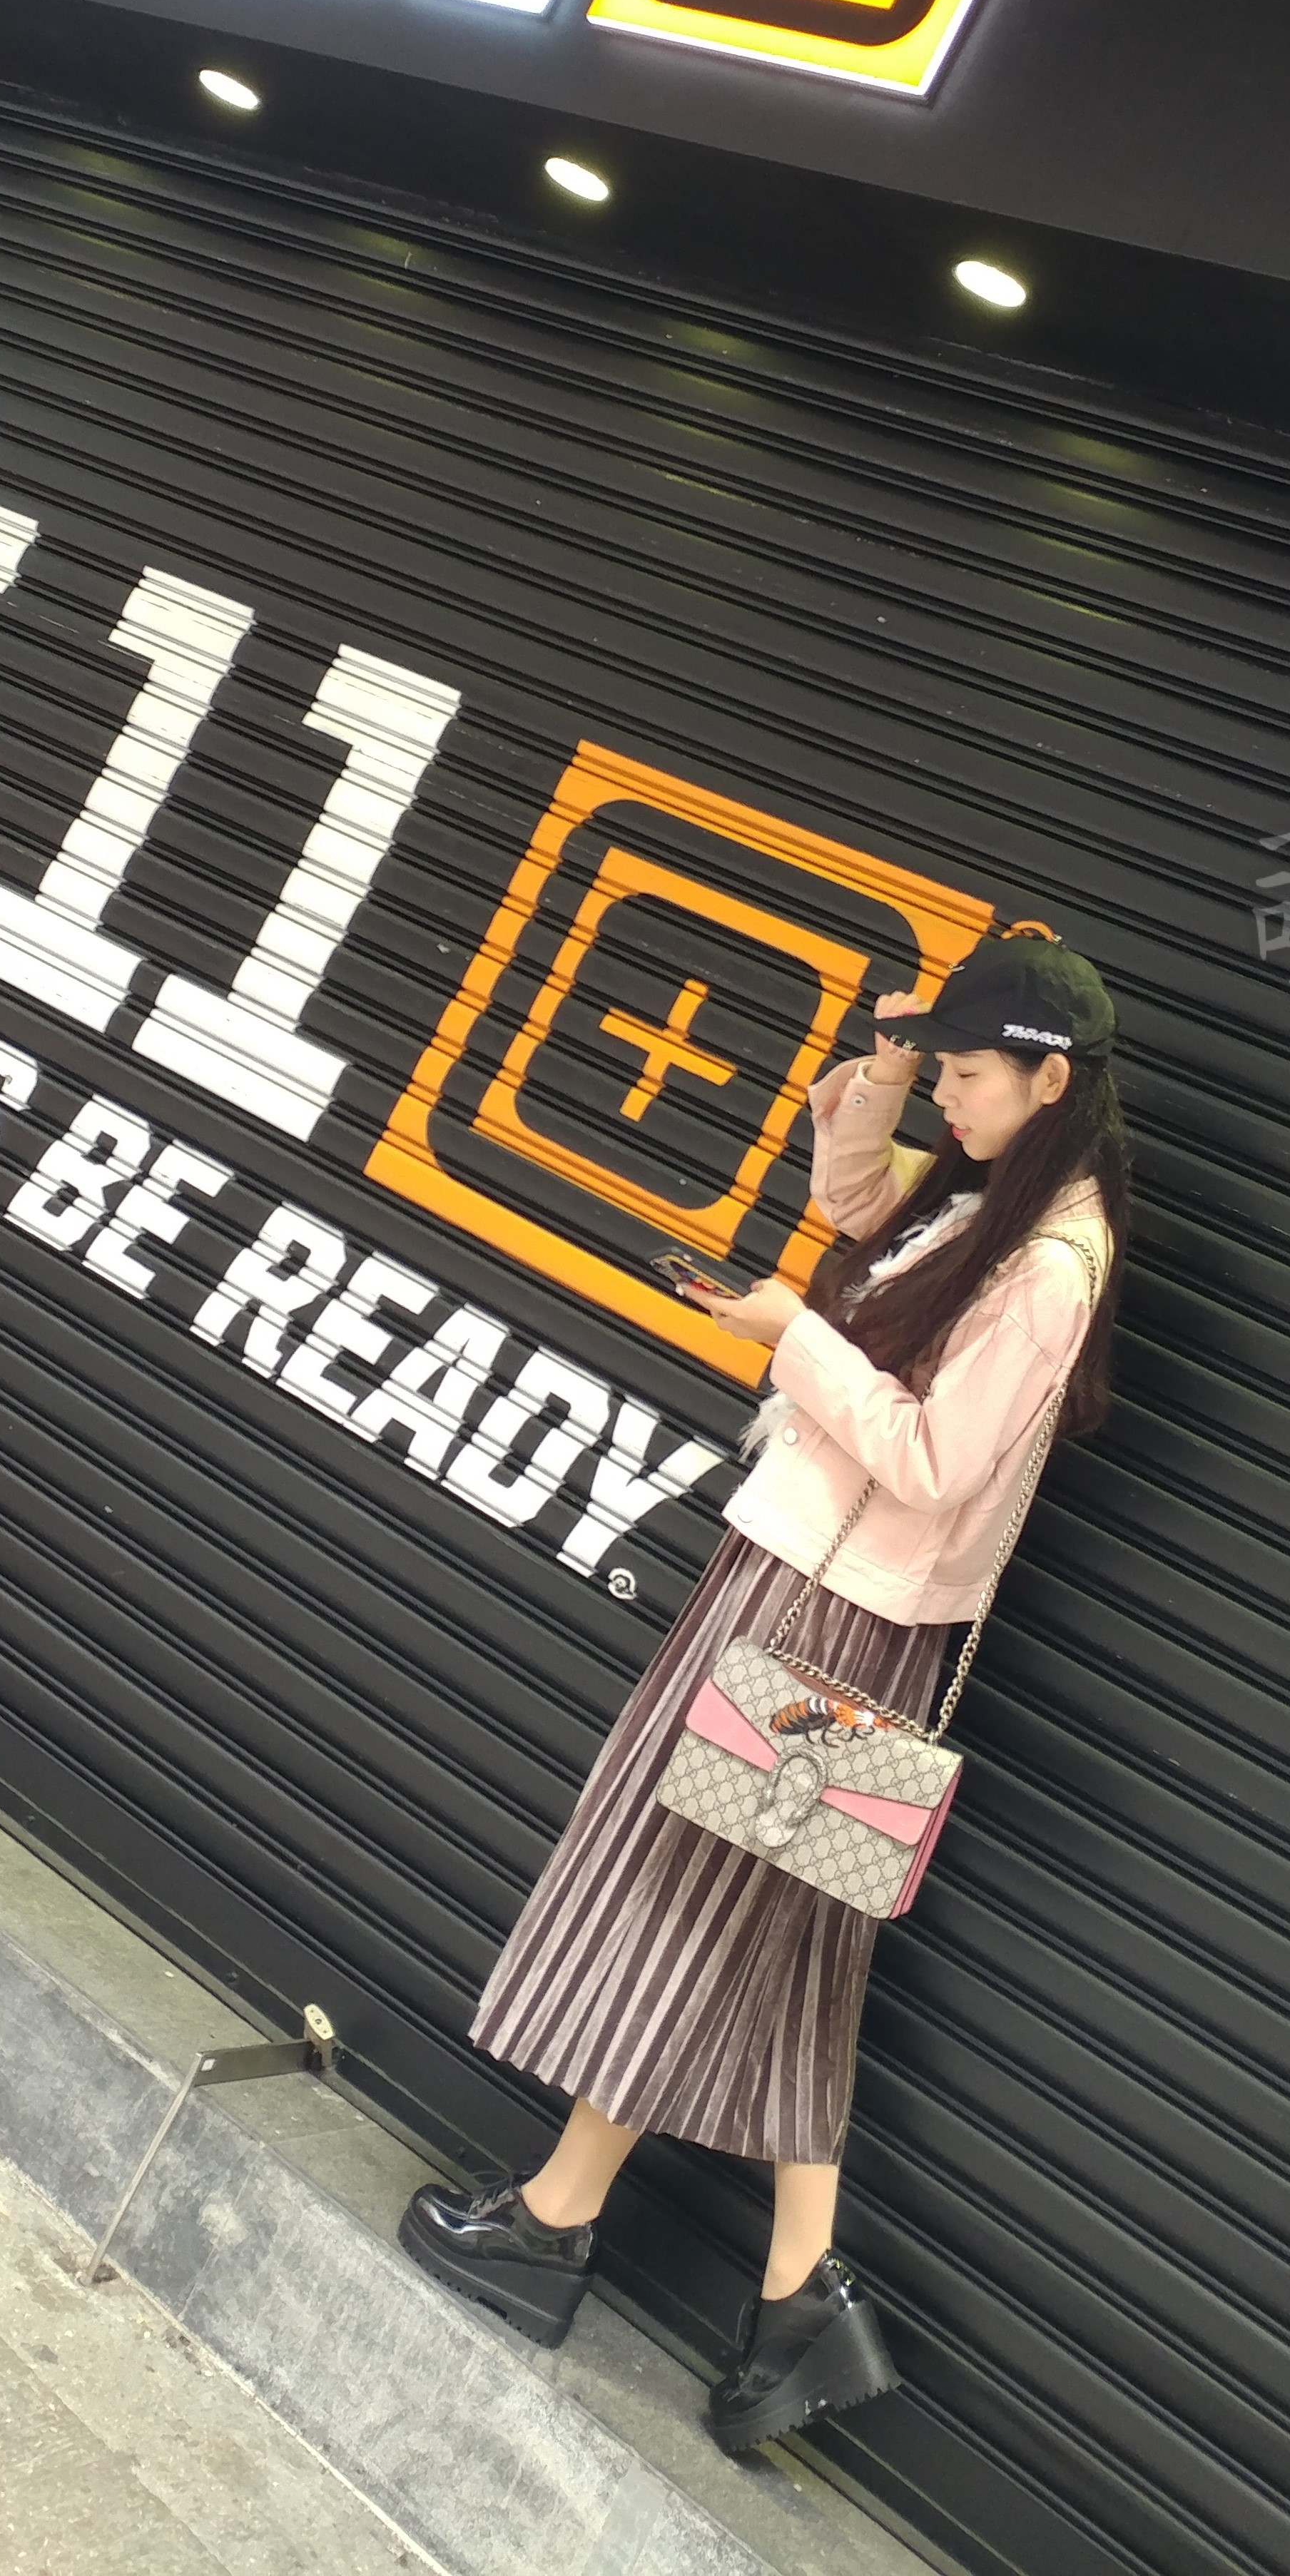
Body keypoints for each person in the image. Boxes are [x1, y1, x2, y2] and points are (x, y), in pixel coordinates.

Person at [400, 932, 1129, 2454]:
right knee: (790, 1955)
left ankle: (554, 2223)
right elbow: (853, 1201)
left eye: (970, 1077)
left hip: (834, 1619)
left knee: (686, 1902)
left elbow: (933, 1462)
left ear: (1052, 1083)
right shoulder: (989, 1204)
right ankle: (801, 2298)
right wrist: (885, 1073)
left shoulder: (1051, 1267)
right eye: (944, 1075)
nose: (953, 1101)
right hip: (819, 1597)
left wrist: (792, 1337)